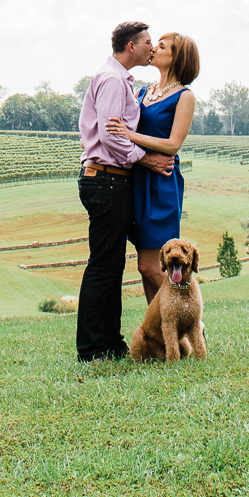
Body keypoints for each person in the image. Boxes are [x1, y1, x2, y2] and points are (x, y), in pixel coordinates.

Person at [75, 20, 173, 362]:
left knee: (111, 264)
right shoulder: (114, 80)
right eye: (148, 42)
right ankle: (92, 348)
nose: (151, 47)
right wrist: (147, 161)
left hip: (111, 179)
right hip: (106, 178)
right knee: (103, 265)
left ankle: (109, 342)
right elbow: (111, 136)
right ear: (131, 46)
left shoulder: (120, 80)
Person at [106, 31, 199, 302]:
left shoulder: (184, 96)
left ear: (177, 57)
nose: (153, 49)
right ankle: (158, 338)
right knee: (144, 268)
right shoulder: (143, 91)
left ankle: (193, 319)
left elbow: (172, 144)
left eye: (161, 46)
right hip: (137, 180)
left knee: (152, 265)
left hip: (161, 183)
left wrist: (129, 135)